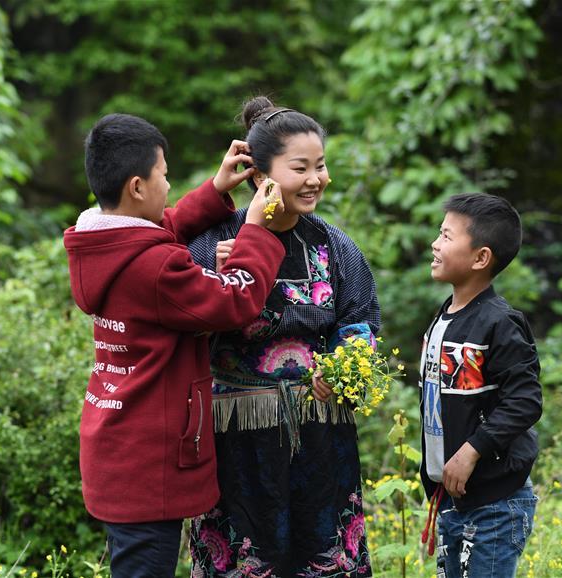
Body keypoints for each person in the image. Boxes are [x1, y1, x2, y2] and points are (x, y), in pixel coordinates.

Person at [63, 112, 288, 578]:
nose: (168, 186)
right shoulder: (158, 269)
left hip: (118, 449)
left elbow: (160, 226)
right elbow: (235, 298)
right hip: (147, 465)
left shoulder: (103, 245)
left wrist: (214, 190)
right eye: (164, 176)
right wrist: (257, 230)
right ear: (137, 187)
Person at [187, 97, 380, 577]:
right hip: (238, 438)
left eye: (320, 165)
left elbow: (361, 320)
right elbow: (186, 317)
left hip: (321, 434)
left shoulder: (335, 246)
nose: (315, 178)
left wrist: (343, 370)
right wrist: (215, 274)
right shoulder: (212, 242)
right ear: (258, 176)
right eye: (300, 167)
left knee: (324, 556)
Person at [418, 193, 543, 578]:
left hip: (496, 506)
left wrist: (472, 450)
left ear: (480, 258)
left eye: (446, 236)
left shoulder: (499, 322)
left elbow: (525, 401)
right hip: (453, 501)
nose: (435, 244)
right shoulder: (443, 318)